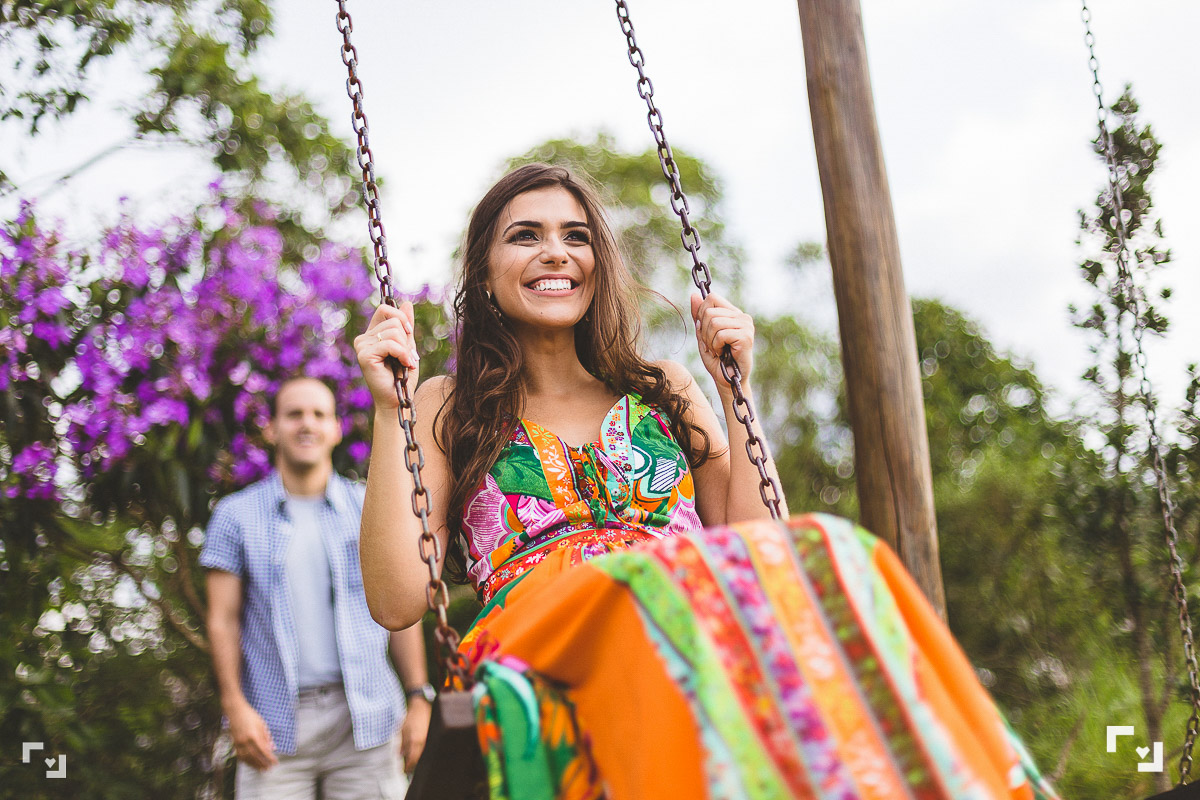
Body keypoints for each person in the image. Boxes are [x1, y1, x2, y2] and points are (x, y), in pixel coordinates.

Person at [354, 164, 1060, 799]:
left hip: (687, 614)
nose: (555, 252)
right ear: (483, 269)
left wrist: (734, 391)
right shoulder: (445, 402)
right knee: (655, 597)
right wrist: (390, 413)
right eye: (524, 236)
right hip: (547, 635)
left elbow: (762, 544)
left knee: (839, 549)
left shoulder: (661, 387)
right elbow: (396, 600)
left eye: (575, 235)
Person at [202, 376, 433, 799]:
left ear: (336, 428)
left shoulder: (368, 507)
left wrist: (419, 695)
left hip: (366, 719)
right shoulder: (235, 517)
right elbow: (222, 620)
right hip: (275, 726)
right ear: (270, 428)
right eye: (294, 414)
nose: (307, 424)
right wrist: (234, 707)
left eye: (318, 414)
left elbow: (399, 609)